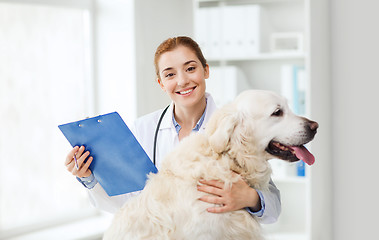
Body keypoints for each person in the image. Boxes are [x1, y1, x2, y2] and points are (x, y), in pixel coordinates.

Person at [64, 36, 281, 223]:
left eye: (190, 68)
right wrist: (90, 178)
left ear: (205, 70)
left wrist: (250, 198)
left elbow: (274, 208)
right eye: (170, 74)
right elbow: (129, 204)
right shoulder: (142, 129)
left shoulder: (236, 126)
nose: (183, 81)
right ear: (161, 83)